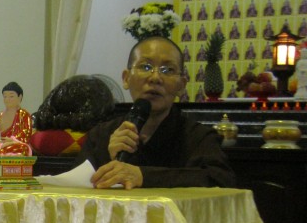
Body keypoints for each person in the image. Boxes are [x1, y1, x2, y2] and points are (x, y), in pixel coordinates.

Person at [76, 36, 236, 189]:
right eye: (145, 67)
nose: (155, 78)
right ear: (126, 78)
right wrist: (110, 158)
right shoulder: (101, 135)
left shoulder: (199, 138)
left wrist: (143, 176)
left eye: (168, 70)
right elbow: (76, 186)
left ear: (181, 85)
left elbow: (220, 180)